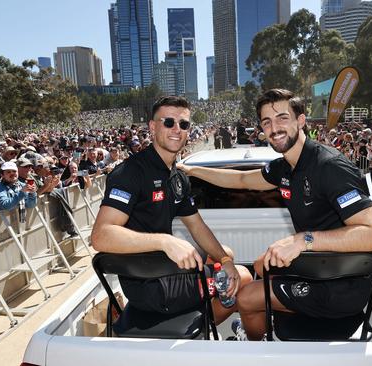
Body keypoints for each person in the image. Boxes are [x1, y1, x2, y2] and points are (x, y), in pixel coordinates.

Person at [178, 89, 372, 340]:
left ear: (300, 121)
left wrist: (303, 240)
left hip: (340, 286)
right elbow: (242, 179)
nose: (274, 128)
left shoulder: (330, 166)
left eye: (282, 118)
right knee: (258, 265)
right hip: (317, 268)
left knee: (246, 298)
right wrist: (191, 171)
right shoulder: (286, 166)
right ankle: (268, 318)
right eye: (267, 122)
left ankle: (257, 345)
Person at [90, 96, 251, 332]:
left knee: (226, 254)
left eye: (183, 124)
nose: (177, 129)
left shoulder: (177, 177)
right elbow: (100, 236)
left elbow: (197, 227)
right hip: (150, 286)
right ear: (153, 127)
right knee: (244, 277)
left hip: (164, 270)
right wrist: (164, 241)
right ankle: (201, 329)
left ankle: (201, 312)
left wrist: (225, 261)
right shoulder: (130, 172)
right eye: (169, 122)